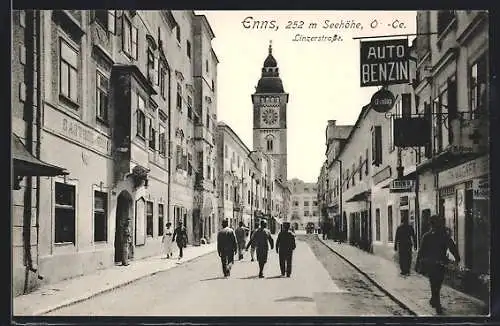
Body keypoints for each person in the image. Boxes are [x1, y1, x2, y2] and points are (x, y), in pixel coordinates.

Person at [416, 215, 460, 314]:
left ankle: (434, 298)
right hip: (437, 263)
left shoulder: (429, 236)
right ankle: (437, 302)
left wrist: (418, 263)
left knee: (435, 282)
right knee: (437, 282)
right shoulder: (441, 235)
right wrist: (457, 257)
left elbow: (421, 251)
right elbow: (452, 247)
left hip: (434, 263)